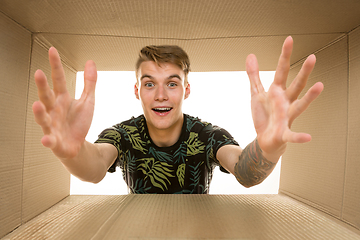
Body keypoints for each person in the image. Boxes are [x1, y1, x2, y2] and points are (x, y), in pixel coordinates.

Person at [32, 36, 324, 194]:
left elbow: (244, 171)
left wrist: (269, 148)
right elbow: (95, 165)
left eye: (172, 83)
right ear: (137, 91)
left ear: (186, 90)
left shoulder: (208, 135)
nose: (160, 95)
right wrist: (71, 153)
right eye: (150, 84)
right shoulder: (123, 134)